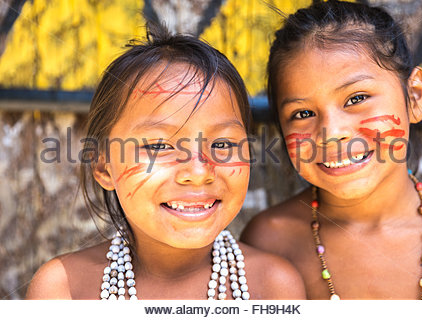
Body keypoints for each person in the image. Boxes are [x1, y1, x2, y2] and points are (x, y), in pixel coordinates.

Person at [26, 23, 305, 300]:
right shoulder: (63, 289)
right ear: (104, 167)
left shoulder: (273, 287)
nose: (197, 172)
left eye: (222, 144)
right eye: (159, 146)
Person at [241, 0, 422, 300]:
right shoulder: (269, 241)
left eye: (356, 98)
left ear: (414, 96)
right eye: (302, 114)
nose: (332, 134)